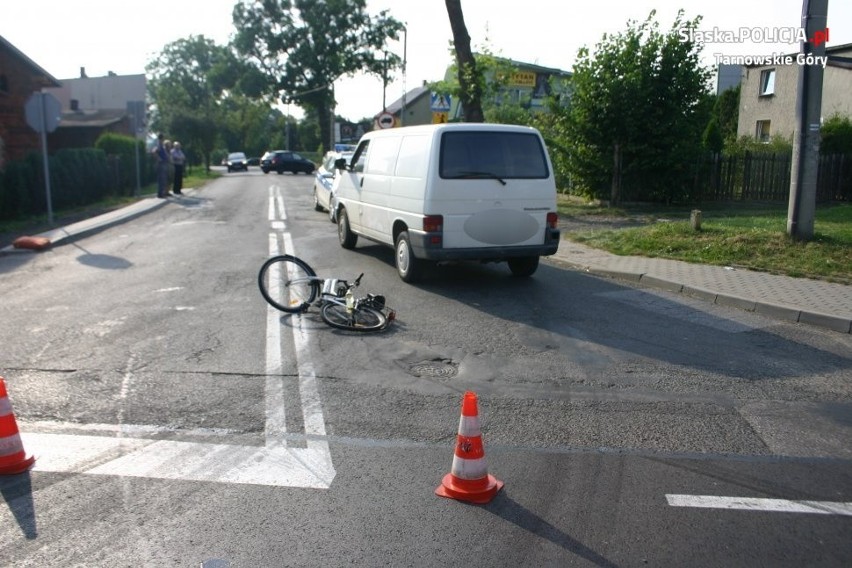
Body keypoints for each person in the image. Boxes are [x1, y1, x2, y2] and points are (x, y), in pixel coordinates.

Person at [153, 134, 170, 198]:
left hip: (164, 163)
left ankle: (162, 193)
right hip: (161, 164)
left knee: (163, 179)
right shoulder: (158, 145)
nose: (163, 140)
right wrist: (158, 158)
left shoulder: (161, 145)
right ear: (161, 138)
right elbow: (154, 151)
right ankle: (160, 194)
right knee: (162, 179)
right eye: (163, 138)